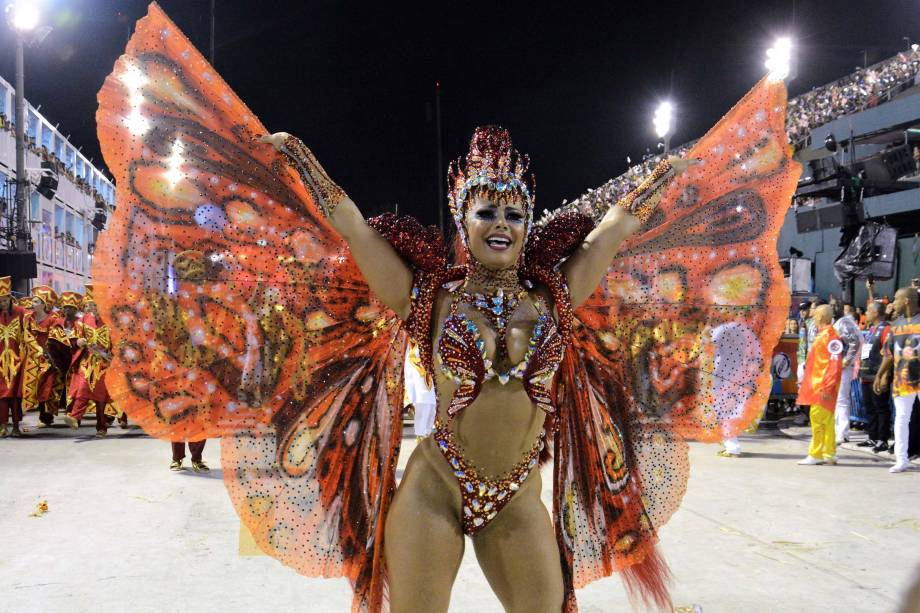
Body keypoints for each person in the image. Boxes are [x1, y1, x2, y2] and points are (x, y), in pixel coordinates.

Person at [92, 6, 800, 611]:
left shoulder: (555, 297)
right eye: (485, 209)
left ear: (529, 223)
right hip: (434, 489)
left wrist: (670, 178)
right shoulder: (428, 298)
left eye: (514, 212)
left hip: (518, 496)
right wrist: (301, 166)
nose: (501, 222)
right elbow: (355, 231)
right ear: (463, 219)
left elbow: (614, 230)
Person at [874, 287, 920, 474]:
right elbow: (888, 354)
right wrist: (880, 374)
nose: (893, 304)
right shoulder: (896, 325)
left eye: (896, 299)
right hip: (903, 379)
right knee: (901, 419)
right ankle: (902, 459)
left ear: (907, 301)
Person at [62, 286, 113, 437]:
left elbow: (118, 342)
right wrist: (78, 341)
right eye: (90, 305)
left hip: (105, 363)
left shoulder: (111, 321)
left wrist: (111, 353)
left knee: (100, 397)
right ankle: (75, 418)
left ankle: (101, 427)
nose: (92, 308)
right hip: (88, 361)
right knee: (83, 387)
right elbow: (73, 338)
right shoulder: (83, 320)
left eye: (95, 305)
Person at [796, 305, 844, 465]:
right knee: (826, 421)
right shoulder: (824, 335)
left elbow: (835, 365)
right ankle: (828, 453)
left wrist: (827, 387)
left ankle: (816, 454)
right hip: (818, 385)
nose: (813, 318)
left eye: (815, 315)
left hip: (823, 386)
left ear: (821, 317)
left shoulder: (830, 336)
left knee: (817, 419)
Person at [21, 285, 65, 428]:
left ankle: (46, 416)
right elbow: (26, 336)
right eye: (33, 301)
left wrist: (48, 352)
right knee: (34, 385)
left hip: (49, 357)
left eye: (36, 302)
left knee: (48, 387)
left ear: (44, 304)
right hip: (32, 357)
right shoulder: (28, 318)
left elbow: (55, 338)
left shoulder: (53, 320)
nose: (32, 304)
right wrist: (36, 348)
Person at [858, 301, 891, 452]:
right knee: (869, 407)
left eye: (869, 311)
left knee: (881, 407)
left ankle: (882, 439)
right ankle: (872, 437)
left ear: (876, 313)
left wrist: (883, 376)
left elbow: (888, 354)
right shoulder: (872, 329)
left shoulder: (886, 329)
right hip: (866, 374)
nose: (866, 314)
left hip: (877, 374)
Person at [0, 277, 27, 437]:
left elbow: (28, 334)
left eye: (4, 300)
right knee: (1, 394)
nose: (2, 304)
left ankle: (16, 425)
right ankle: (2, 425)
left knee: (16, 395)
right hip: (1, 361)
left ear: (10, 298)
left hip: (18, 359)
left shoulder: (21, 312)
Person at [833, 303, 862, 443]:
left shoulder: (844, 322)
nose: (833, 308)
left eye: (834, 306)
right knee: (835, 399)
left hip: (843, 367)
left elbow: (855, 341)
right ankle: (837, 429)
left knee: (842, 399)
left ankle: (843, 433)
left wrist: (847, 361)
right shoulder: (834, 323)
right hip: (832, 366)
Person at [404, 340, 436, 439]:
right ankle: (421, 434)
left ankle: (428, 432)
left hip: (430, 377)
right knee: (423, 404)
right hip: (420, 377)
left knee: (432, 406)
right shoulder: (412, 345)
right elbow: (411, 362)